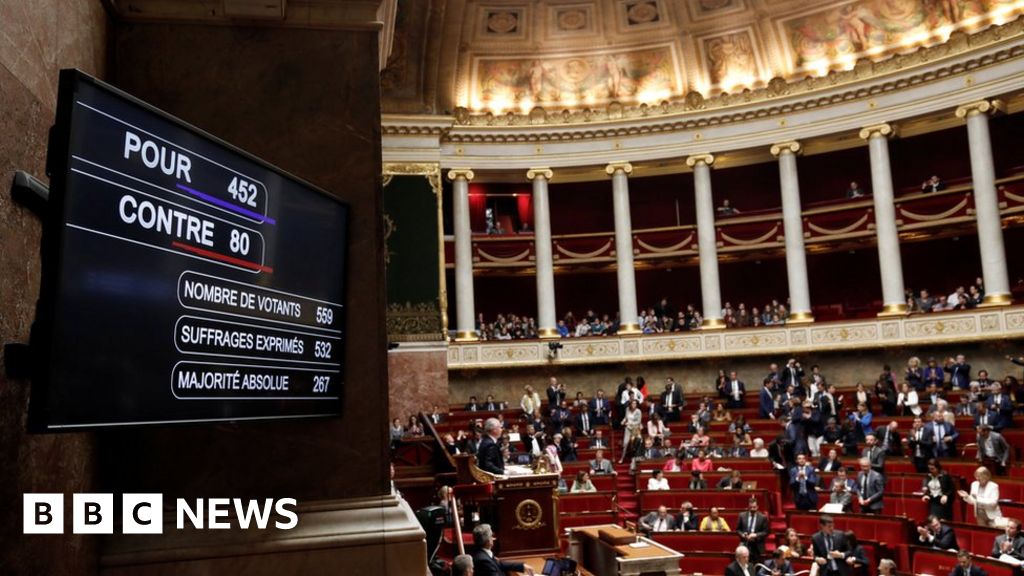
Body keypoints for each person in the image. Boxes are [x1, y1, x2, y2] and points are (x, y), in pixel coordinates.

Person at [737, 497, 769, 564]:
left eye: (754, 507)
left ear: (757, 507)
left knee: (757, 566)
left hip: (757, 545)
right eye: (750, 507)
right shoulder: (741, 516)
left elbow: (766, 532)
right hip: (745, 543)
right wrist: (743, 535)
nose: (752, 509)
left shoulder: (763, 517)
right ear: (748, 507)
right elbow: (738, 530)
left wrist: (756, 535)